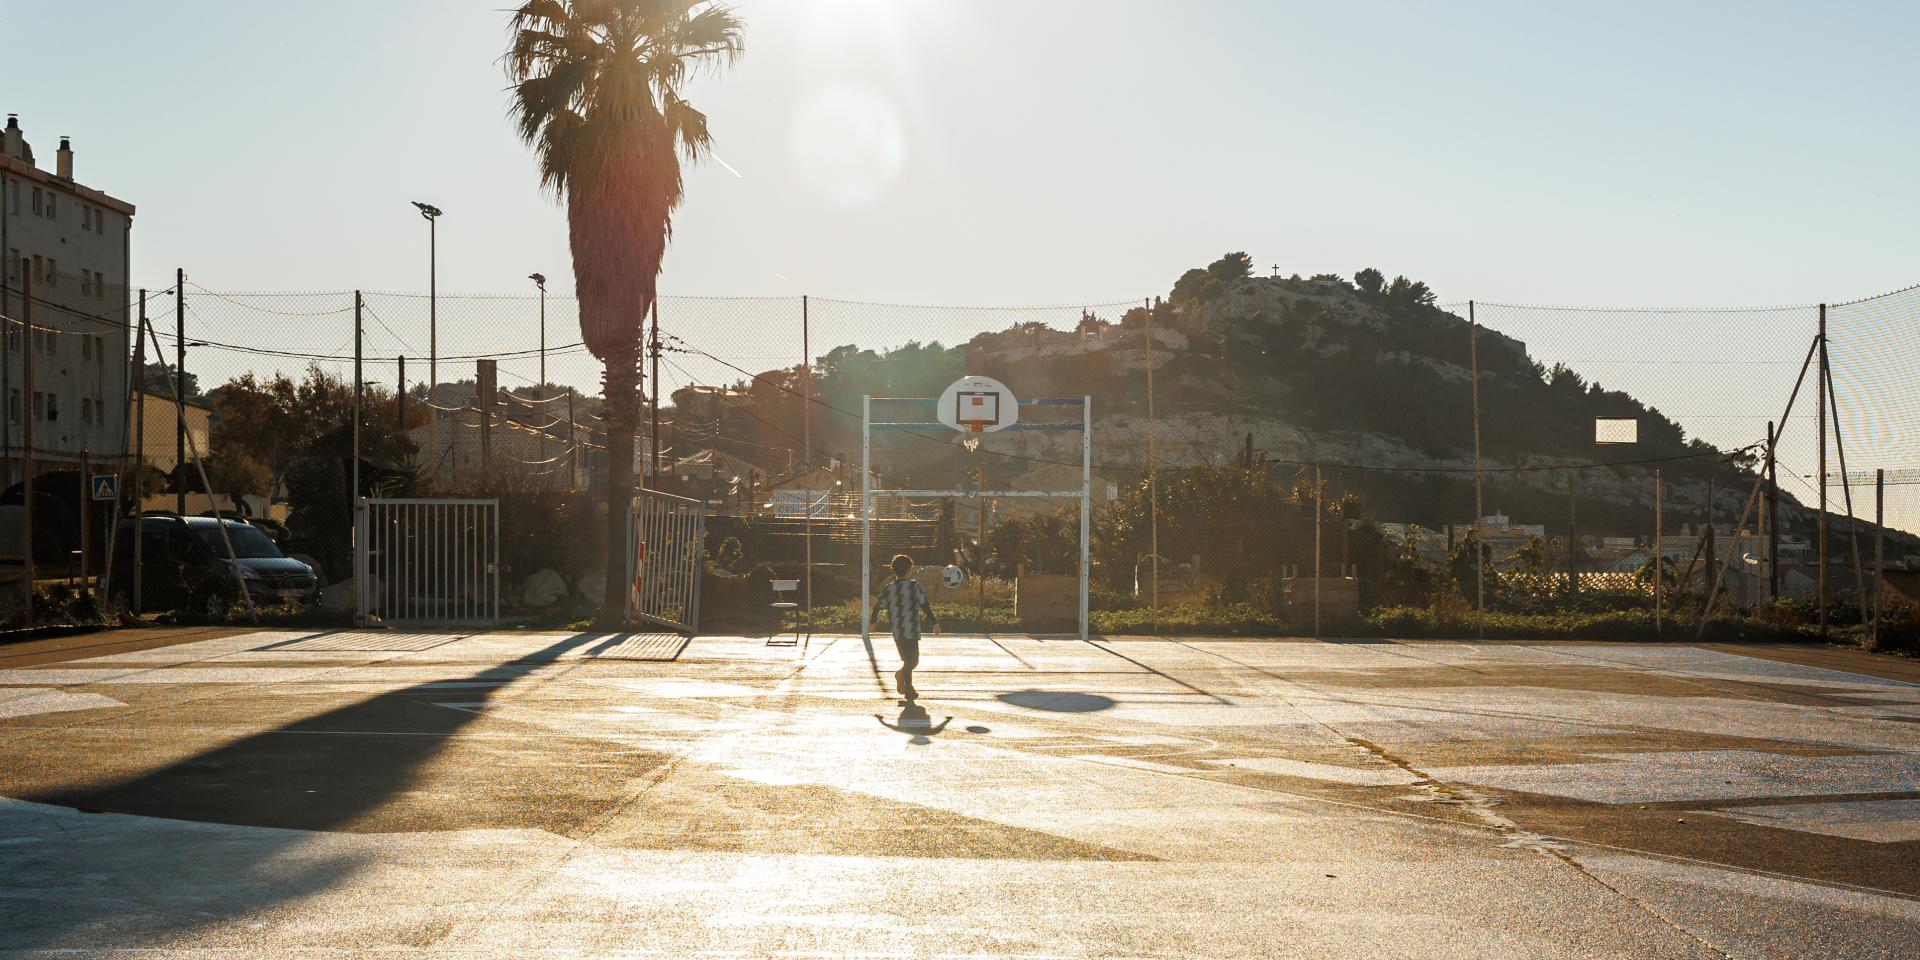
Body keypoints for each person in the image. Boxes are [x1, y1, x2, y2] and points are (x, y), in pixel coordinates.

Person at [869, 553, 939, 699]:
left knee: (910, 660)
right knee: (911, 661)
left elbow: (877, 607)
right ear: (909, 570)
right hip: (909, 629)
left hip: (900, 630)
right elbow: (925, 605)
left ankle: (902, 677)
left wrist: (873, 621)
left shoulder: (889, 588)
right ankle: (908, 686)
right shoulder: (914, 587)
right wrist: (935, 622)